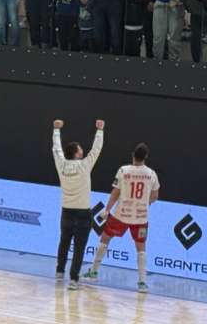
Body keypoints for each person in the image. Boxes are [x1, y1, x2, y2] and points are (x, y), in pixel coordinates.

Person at [84, 143, 160, 293]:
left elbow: (115, 192)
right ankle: (142, 282)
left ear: (133, 155)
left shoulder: (123, 170)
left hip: (121, 214)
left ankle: (93, 272)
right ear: (146, 157)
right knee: (141, 247)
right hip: (141, 217)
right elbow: (155, 196)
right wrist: (145, 202)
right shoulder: (151, 174)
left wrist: (107, 209)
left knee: (105, 239)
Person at [51, 119, 104, 290]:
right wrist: (100, 131)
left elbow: (56, 149)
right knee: (79, 247)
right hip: (82, 213)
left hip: (67, 212)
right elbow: (96, 150)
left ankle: (60, 271)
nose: (83, 150)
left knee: (64, 242)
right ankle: (74, 279)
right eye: (80, 148)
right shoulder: (84, 165)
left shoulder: (61, 165)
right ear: (76, 153)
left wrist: (56, 130)